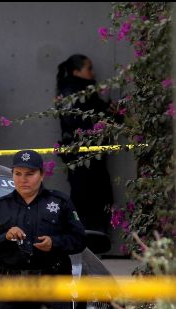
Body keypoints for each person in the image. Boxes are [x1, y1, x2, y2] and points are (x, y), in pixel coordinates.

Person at [0, 150, 86, 309]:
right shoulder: (0, 207)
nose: (23, 179)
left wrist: (54, 242)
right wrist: (5, 237)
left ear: (42, 175)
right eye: (18, 174)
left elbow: (79, 240)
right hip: (10, 285)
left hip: (50, 284)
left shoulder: (59, 203)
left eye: (29, 174)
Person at [56, 54, 114, 234]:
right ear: (76, 71)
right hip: (81, 154)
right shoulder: (71, 91)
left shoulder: (85, 90)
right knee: (86, 197)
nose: (92, 73)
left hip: (90, 154)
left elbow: (97, 111)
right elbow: (73, 120)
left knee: (97, 195)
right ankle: (87, 238)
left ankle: (94, 236)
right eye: (88, 68)